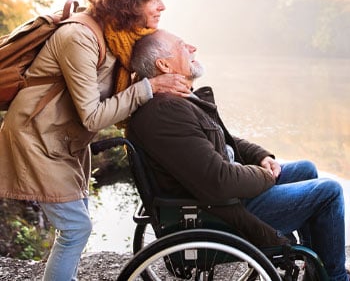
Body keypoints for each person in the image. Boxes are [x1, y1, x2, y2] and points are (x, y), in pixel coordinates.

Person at [0, 0, 191, 281]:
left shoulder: (119, 39)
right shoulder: (79, 37)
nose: (162, 6)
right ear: (130, 2)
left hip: (64, 141)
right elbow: (92, 114)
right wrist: (148, 88)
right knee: (76, 228)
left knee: (75, 225)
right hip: (37, 139)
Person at [128, 29, 349, 281]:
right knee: (329, 192)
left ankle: (316, 272)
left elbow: (223, 139)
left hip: (226, 197)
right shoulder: (165, 113)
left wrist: (261, 156)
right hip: (223, 211)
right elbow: (218, 181)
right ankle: (335, 278)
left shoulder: (178, 101)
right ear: (164, 65)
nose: (192, 47)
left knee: (306, 169)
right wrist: (264, 176)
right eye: (182, 46)